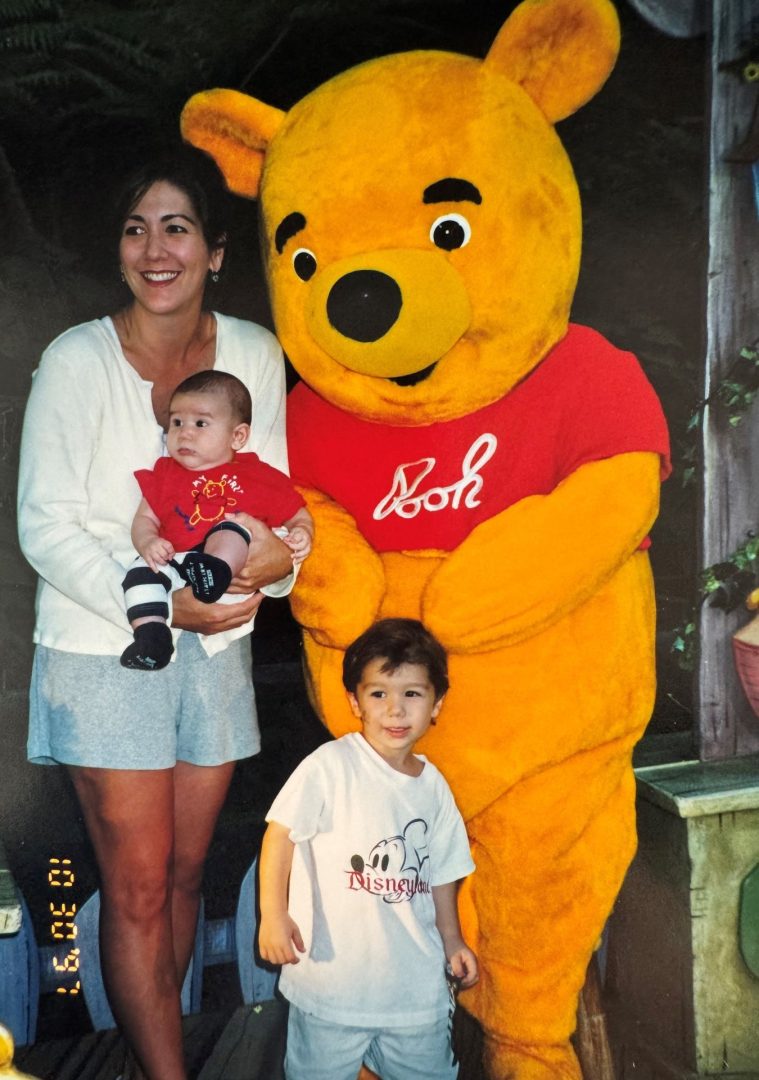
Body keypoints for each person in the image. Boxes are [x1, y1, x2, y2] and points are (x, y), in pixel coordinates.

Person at [17, 145, 297, 1080]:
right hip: (106, 650)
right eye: (136, 228)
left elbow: (278, 506)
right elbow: (45, 526)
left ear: (216, 251)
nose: (155, 247)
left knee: (184, 875)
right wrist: (166, 605)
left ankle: (153, 1055)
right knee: (135, 888)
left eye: (176, 226)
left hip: (216, 654)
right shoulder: (76, 360)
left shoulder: (254, 353)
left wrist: (272, 572)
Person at [259, 617, 478, 1080]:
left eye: (412, 695)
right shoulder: (330, 765)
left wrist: (453, 940)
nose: (395, 710)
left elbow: (442, 874)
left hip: (414, 990)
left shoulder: (434, 787)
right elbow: (279, 835)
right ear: (354, 701)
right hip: (331, 985)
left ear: (436, 704)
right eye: (379, 693)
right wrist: (273, 916)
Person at [122, 369, 313, 671]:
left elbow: (297, 512)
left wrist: (302, 532)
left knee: (234, 526)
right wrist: (148, 542)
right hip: (179, 561)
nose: (184, 432)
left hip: (229, 571)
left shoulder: (258, 476)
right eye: (176, 422)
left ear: (237, 436)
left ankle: (215, 569)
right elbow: (145, 517)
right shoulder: (166, 474)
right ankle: (151, 634)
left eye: (200, 423)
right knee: (139, 572)